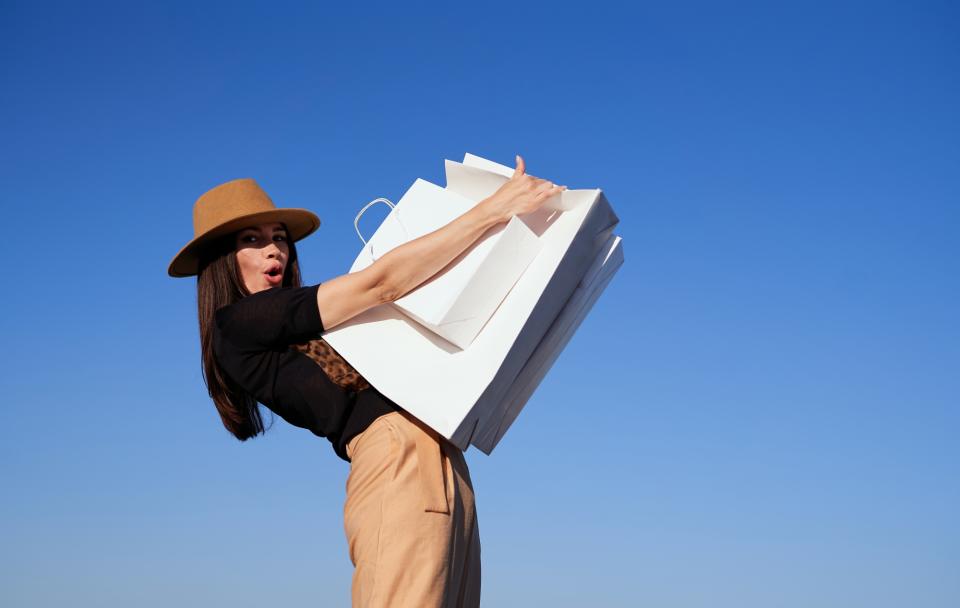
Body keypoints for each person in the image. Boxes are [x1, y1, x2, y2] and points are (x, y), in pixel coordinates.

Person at [166, 156, 564, 607]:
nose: (274, 250)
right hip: (395, 455)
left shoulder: (292, 325)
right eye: (252, 241)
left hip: (444, 457)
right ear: (222, 259)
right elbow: (381, 284)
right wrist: (493, 210)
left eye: (279, 238)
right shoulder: (239, 323)